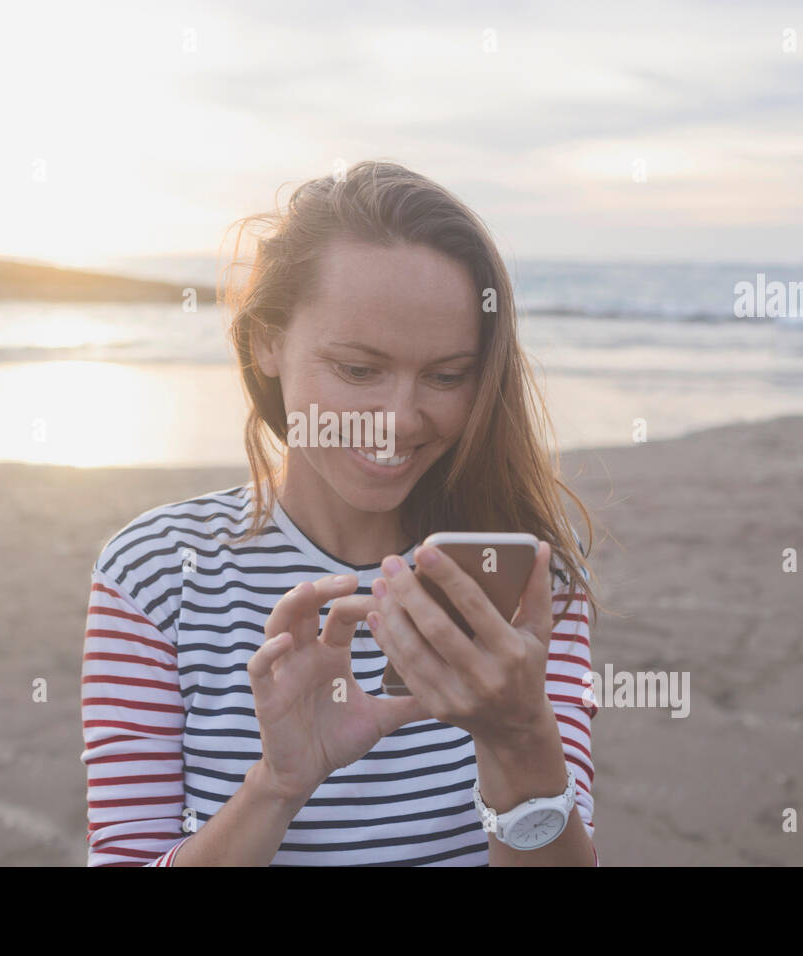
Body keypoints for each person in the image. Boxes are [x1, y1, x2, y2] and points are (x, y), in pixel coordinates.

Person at [80, 160, 601, 865]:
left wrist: (518, 739)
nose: (398, 418)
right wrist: (278, 785)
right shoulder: (154, 575)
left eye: (446, 376)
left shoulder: (523, 576)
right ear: (267, 340)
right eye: (358, 370)